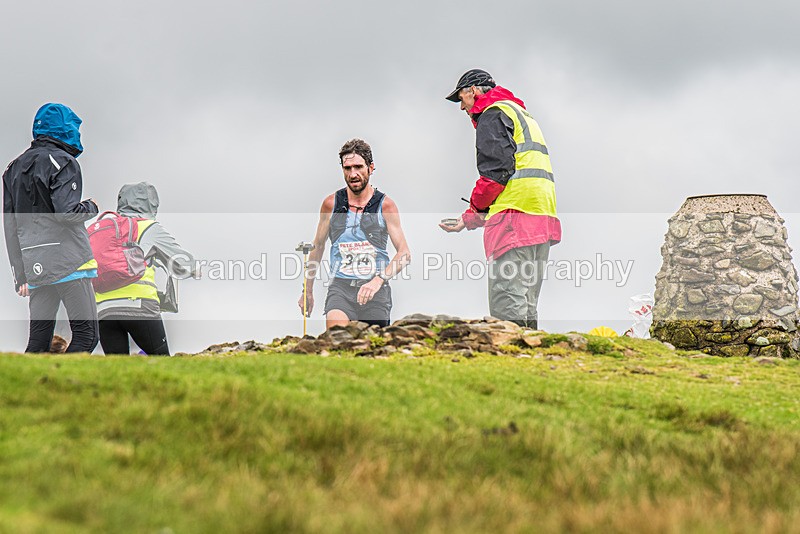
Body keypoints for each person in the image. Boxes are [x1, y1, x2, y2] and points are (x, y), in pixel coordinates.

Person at [440, 69, 561, 329]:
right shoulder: (519, 113)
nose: (461, 107)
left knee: (508, 307)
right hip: (541, 218)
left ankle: (516, 363)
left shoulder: (492, 114)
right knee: (526, 306)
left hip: (513, 220)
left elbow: (495, 175)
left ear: (473, 90)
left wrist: (472, 212)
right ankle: (531, 365)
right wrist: (468, 220)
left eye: (461, 98)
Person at [2, 103, 100, 352]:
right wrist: (91, 206)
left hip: (35, 263)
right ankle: (64, 388)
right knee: (86, 336)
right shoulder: (63, 162)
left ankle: (29, 389)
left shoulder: (13, 168)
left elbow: (10, 224)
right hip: (69, 261)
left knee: (37, 342)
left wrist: (20, 274)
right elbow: (67, 213)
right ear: (66, 130)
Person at [299, 139, 410, 328]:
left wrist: (377, 281)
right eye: (347, 168)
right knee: (336, 338)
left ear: (371, 167)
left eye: (358, 167)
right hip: (341, 287)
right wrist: (307, 290)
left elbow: (404, 254)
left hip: (375, 289)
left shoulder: (386, 206)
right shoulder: (330, 204)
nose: (353, 174)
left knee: (371, 349)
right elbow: (317, 247)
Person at [94, 182, 197, 355]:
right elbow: (186, 264)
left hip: (103, 309)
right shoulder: (148, 227)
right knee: (161, 362)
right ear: (152, 204)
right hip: (139, 306)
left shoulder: (103, 228)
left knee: (118, 371)